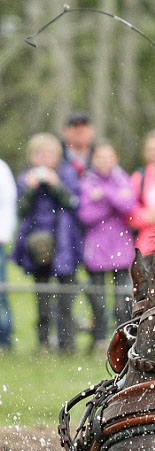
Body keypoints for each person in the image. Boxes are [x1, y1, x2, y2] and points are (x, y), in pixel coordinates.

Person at [13, 133, 82, 352]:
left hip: (65, 243)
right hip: (37, 245)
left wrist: (56, 185)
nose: (44, 158)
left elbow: (74, 203)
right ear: (31, 156)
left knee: (66, 299)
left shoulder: (67, 175)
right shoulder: (25, 179)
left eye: (49, 153)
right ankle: (43, 343)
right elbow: (20, 210)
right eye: (39, 153)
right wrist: (30, 189)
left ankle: (67, 344)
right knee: (42, 298)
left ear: (58, 156)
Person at [78, 140, 136, 350]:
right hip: (96, 250)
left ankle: (122, 341)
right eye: (100, 157)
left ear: (115, 158)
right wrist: (114, 201)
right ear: (93, 159)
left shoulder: (122, 178)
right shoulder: (86, 181)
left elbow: (129, 205)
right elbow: (86, 215)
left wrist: (103, 195)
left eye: (108, 156)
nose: (104, 161)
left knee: (123, 300)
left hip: (121, 249)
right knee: (97, 300)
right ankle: (100, 339)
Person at [0, 158, 17, 349]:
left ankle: (4, 339)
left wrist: (3, 234)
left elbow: (8, 203)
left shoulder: (1, 169)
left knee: (0, 293)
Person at [61, 110, 95, 178]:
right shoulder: (56, 155)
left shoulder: (101, 153)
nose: (80, 130)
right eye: (75, 126)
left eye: (84, 126)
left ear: (92, 131)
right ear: (65, 131)